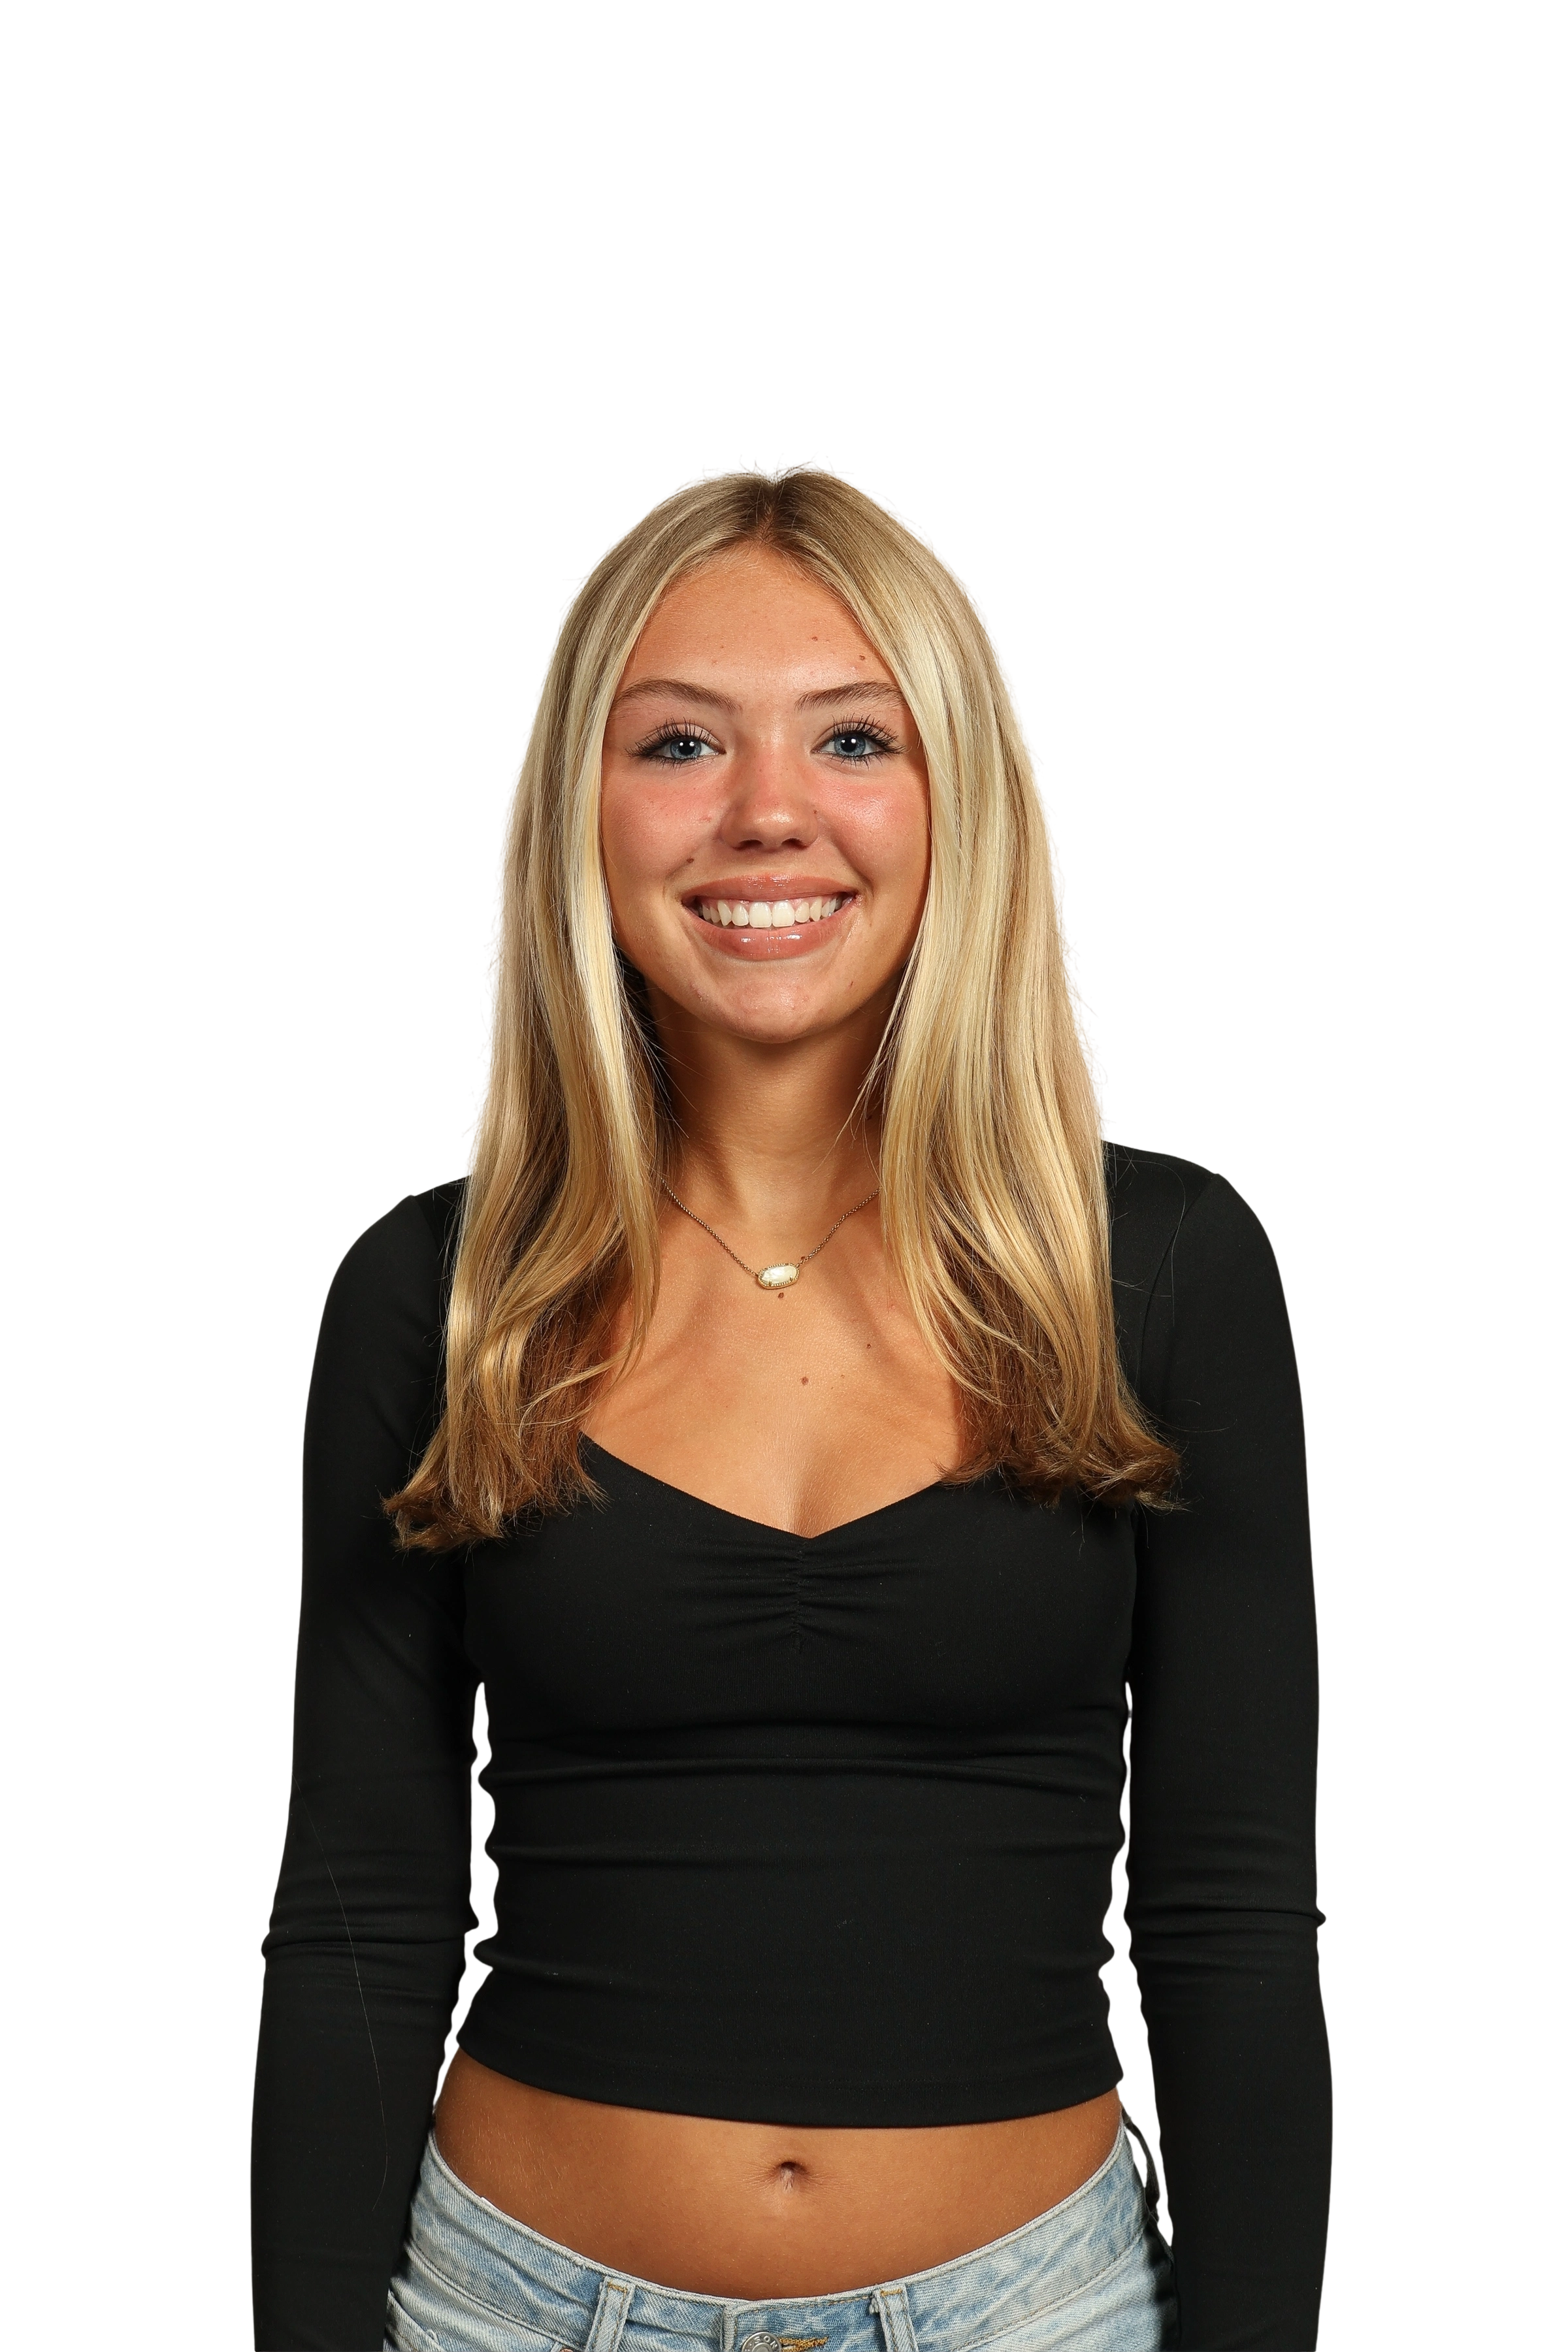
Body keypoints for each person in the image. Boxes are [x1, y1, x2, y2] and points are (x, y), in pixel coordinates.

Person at [249, 454, 1332, 2352]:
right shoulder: (440, 1297)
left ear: (955, 799)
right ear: (581, 809)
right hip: (511, 2307)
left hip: (1038, 2312)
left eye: (853, 738)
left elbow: (1230, 1908)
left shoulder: (1158, 1269)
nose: (766, 812)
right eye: (680, 743)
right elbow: (360, 1903)